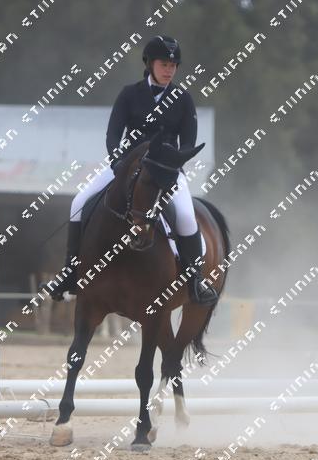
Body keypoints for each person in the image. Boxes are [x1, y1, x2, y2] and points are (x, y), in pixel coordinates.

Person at [47, 35, 218, 305]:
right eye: (164, 64)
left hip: (164, 172)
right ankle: (70, 272)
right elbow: (113, 134)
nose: (169, 70)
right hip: (127, 166)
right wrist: (118, 163)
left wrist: (172, 164)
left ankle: (195, 280)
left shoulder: (183, 99)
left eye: (173, 65)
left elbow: (188, 142)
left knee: (186, 215)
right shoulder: (129, 94)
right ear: (150, 64)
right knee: (79, 201)